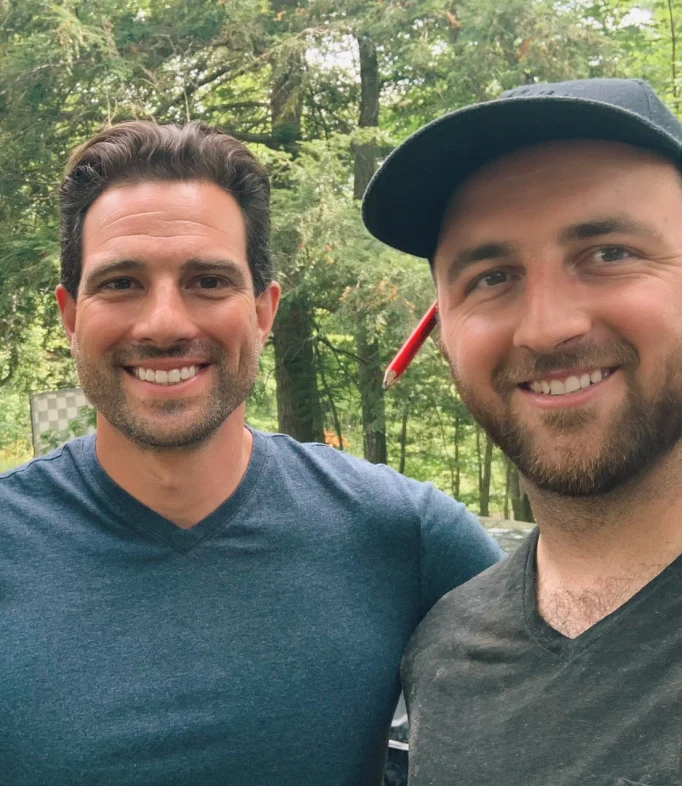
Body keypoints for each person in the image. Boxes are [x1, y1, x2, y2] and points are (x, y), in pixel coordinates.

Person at [0, 121, 501, 786]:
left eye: (208, 281)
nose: (165, 323)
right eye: (120, 283)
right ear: (70, 315)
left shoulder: (406, 536)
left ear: (264, 312)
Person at [362, 78, 682, 785]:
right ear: (442, 336)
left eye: (610, 253)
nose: (546, 327)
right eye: (491, 276)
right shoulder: (445, 655)